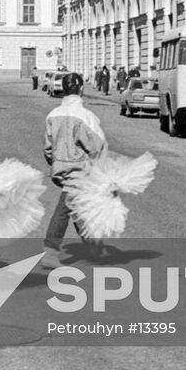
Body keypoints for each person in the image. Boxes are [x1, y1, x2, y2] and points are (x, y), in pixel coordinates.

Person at [43, 72, 107, 250]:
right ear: (81, 89)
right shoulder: (86, 117)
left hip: (60, 167)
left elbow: (48, 147)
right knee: (65, 208)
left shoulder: (52, 115)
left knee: (75, 206)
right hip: (81, 169)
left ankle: (93, 246)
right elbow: (96, 148)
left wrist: (55, 162)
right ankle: (50, 250)